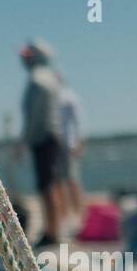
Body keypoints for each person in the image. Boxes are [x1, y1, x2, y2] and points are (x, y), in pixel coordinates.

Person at [16, 39, 63, 246]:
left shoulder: (37, 80)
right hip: (50, 137)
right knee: (50, 184)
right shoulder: (51, 78)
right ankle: (53, 228)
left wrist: (23, 141)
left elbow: (33, 116)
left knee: (46, 186)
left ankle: (52, 232)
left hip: (43, 138)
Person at [57, 78, 86, 226]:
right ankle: (65, 215)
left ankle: (79, 214)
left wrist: (78, 142)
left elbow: (77, 120)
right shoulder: (56, 97)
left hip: (68, 144)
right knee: (60, 181)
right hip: (56, 144)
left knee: (72, 180)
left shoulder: (68, 97)